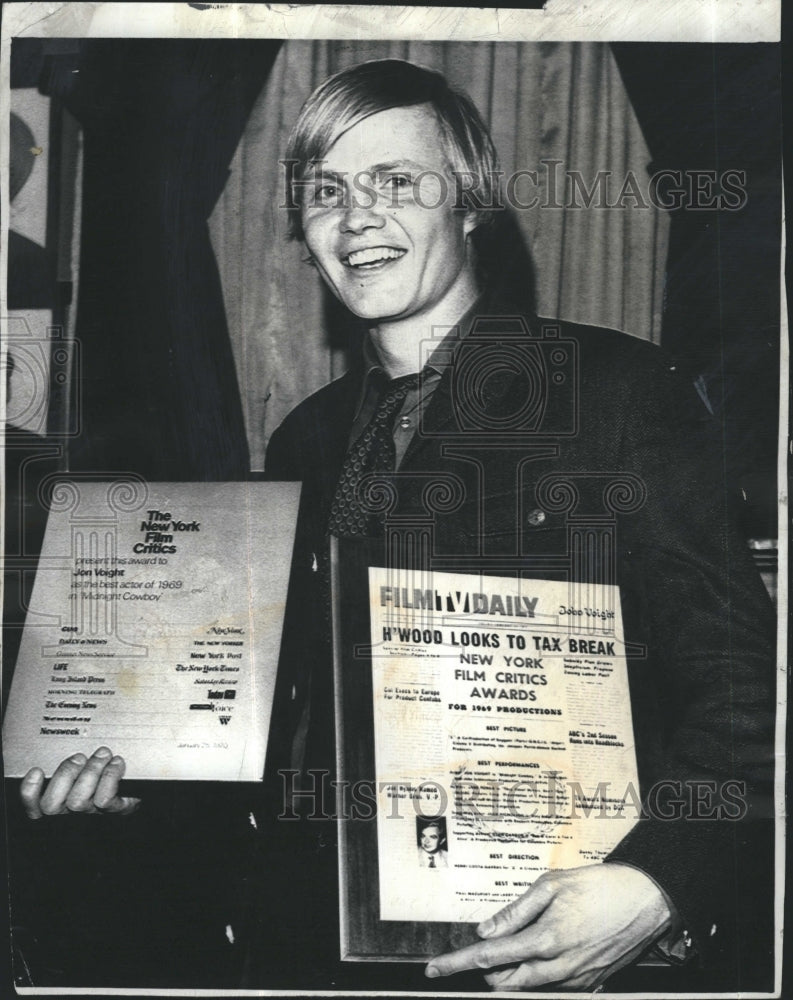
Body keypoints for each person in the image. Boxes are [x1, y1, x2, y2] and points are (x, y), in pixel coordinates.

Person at [16, 59, 776, 992]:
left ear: (470, 206)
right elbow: (276, 734)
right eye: (326, 192)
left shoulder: (618, 392)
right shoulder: (306, 438)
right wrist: (130, 775)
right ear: (303, 230)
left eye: (395, 183)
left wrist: (661, 881)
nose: (356, 217)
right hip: (305, 951)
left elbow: (745, 688)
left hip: (540, 945)